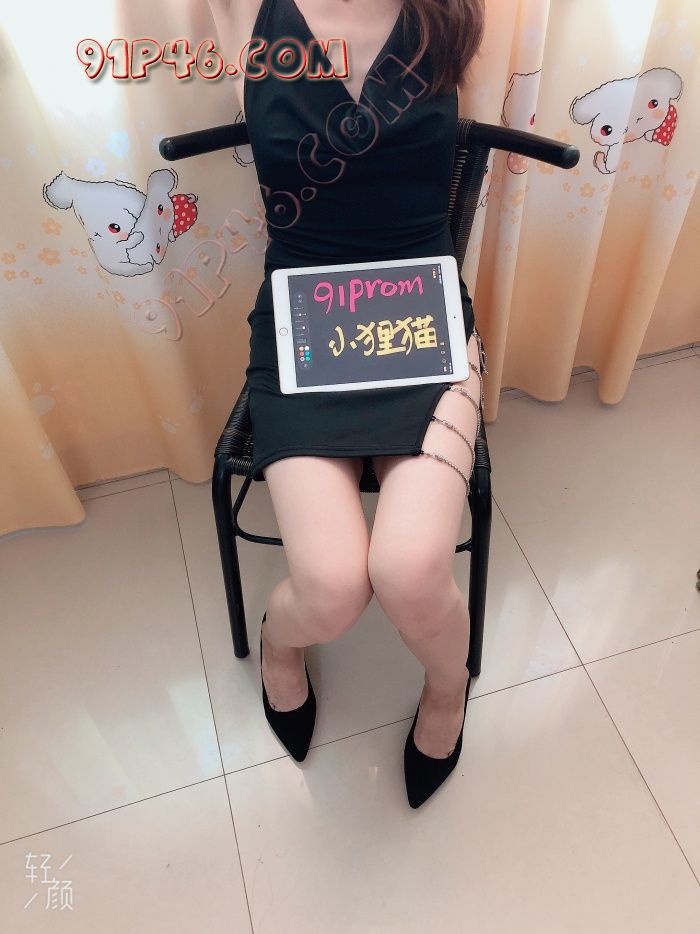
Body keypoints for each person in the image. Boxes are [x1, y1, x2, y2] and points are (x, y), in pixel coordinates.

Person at [208, 0, 487, 808]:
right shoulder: (243, 12)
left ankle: (448, 688)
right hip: (307, 326)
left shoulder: (448, 13)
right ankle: (279, 643)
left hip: (423, 319)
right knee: (331, 586)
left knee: (411, 570)